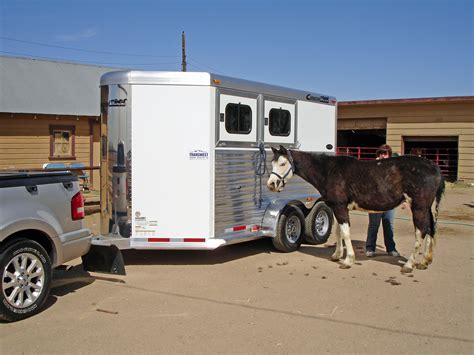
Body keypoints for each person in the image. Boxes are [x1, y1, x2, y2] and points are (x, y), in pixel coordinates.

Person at [365, 144, 400, 257]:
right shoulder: (373, 166)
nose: (382, 156)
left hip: (389, 202)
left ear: (389, 155)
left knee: (388, 224)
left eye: (384, 153)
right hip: (375, 202)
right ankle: (370, 248)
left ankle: (391, 248)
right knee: (374, 225)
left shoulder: (393, 168)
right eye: (380, 153)